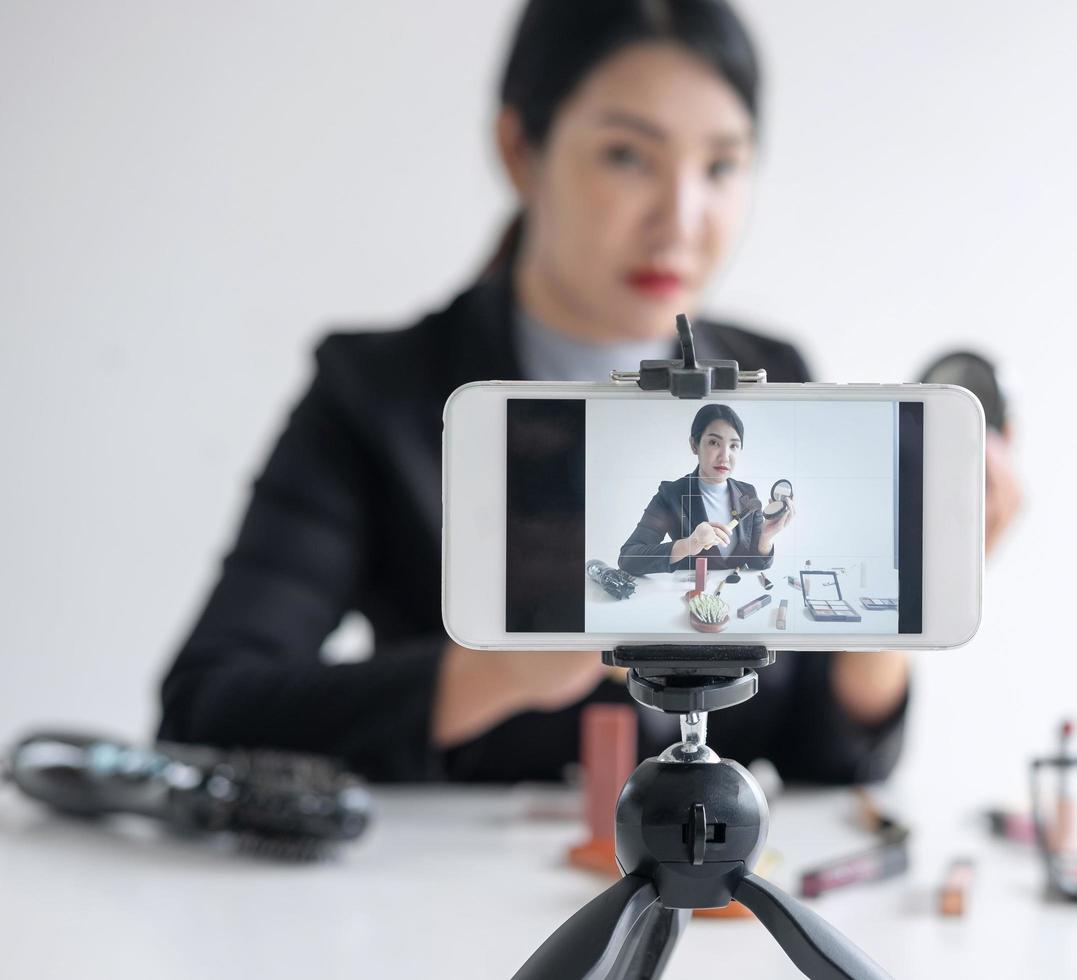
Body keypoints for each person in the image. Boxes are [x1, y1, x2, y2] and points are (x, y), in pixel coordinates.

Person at [157, 0, 1018, 785]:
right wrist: (499, 668)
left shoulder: (775, 372)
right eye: (626, 155)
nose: (681, 218)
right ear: (519, 150)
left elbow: (823, 760)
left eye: (721, 166)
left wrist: (891, 619)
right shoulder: (377, 393)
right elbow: (205, 709)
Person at [618, 403, 793, 576]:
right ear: (694, 445)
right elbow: (628, 559)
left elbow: (757, 563)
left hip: (737, 597)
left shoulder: (748, 494)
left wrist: (766, 537)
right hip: (690, 597)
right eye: (714, 442)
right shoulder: (671, 494)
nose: (725, 456)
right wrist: (689, 544)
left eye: (733, 446)